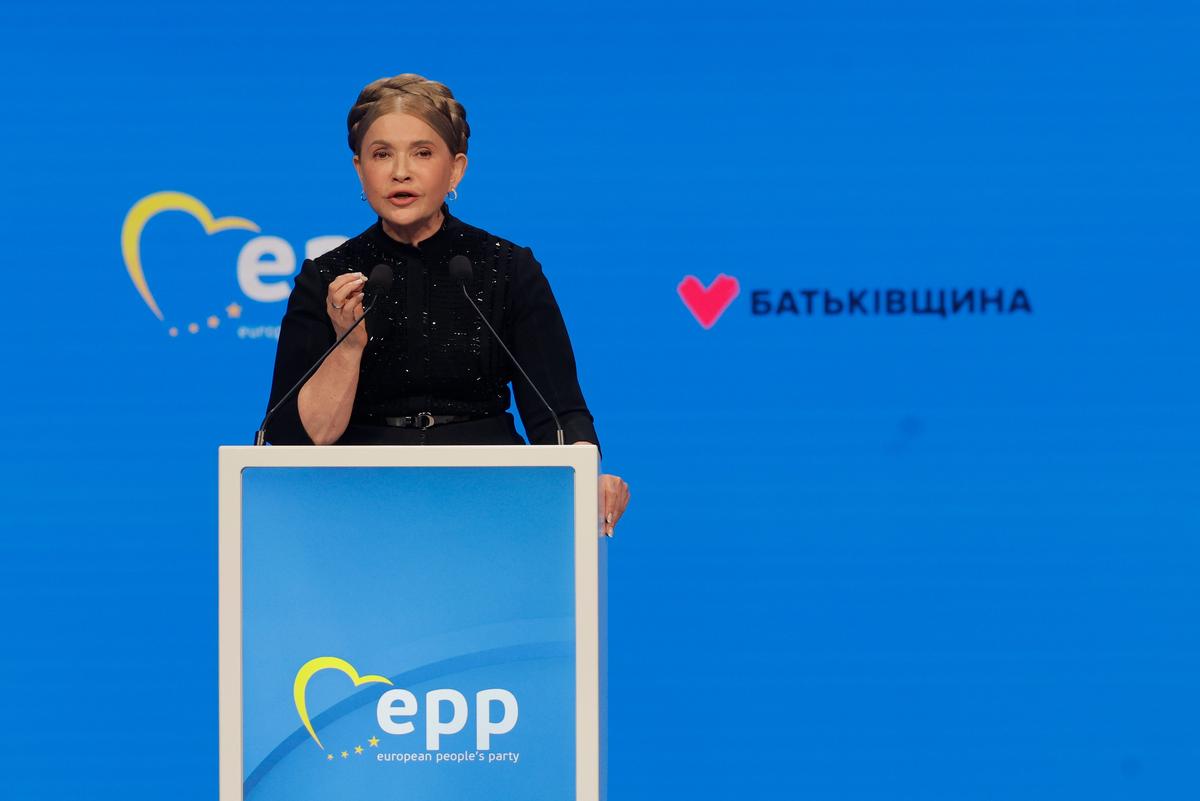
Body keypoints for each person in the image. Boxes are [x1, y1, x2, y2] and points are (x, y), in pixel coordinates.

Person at [264, 74, 629, 533]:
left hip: (491, 499)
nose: (401, 171)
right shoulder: (327, 277)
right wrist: (349, 345)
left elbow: (558, 413)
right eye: (381, 154)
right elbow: (296, 441)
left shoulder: (509, 268)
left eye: (422, 152)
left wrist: (587, 475)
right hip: (357, 508)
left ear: (455, 169)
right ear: (359, 169)